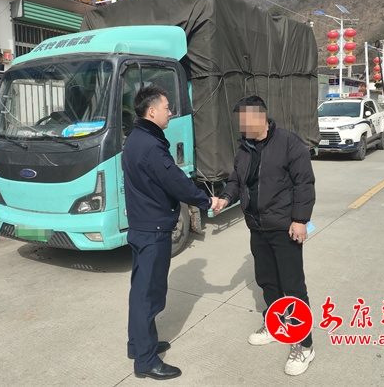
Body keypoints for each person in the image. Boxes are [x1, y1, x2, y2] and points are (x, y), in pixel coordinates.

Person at [214, 95, 316, 376]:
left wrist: (300, 220)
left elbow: (304, 183)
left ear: (260, 117)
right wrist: (225, 198)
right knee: (267, 281)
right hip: (257, 227)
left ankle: (305, 345)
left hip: (284, 227)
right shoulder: (244, 148)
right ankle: (275, 325)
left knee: (293, 286)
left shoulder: (289, 143)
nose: (242, 126)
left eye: (246, 120)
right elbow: (236, 180)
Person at [122, 85, 218, 381]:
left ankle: (138, 345)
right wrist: (207, 201)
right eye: (166, 107)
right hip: (153, 230)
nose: (170, 112)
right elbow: (176, 182)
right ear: (151, 111)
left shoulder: (135, 138)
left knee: (140, 291)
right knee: (149, 297)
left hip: (141, 226)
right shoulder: (151, 146)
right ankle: (146, 361)